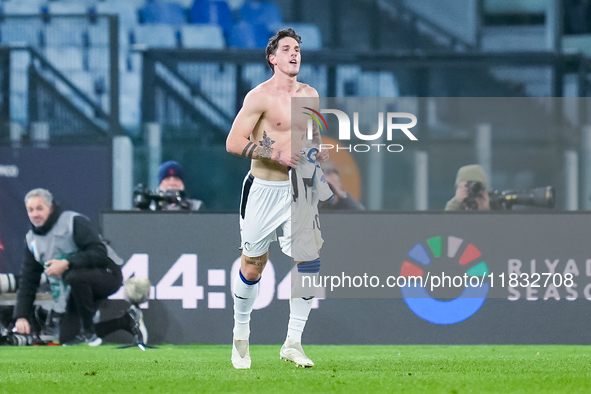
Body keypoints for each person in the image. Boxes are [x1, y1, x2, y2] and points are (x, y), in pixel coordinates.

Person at [225, 28, 330, 369]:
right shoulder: (259, 97)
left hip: (298, 191)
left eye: (297, 49)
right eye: (286, 49)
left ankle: (293, 343)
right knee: (253, 266)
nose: (294, 53)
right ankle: (241, 336)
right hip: (263, 189)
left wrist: (316, 152)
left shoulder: (310, 95)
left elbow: (309, 140)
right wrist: (276, 154)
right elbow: (233, 141)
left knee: (309, 261)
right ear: (272, 58)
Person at [13, 188, 144, 346]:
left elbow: (100, 253)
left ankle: (88, 332)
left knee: (75, 276)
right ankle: (125, 321)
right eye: (30, 210)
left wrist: (67, 262)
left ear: (51, 208)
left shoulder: (73, 221)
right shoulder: (31, 240)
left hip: (106, 274)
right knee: (67, 339)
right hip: (73, 289)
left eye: (39, 208)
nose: (35, 214)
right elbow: (28, 280)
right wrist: (21, 316)